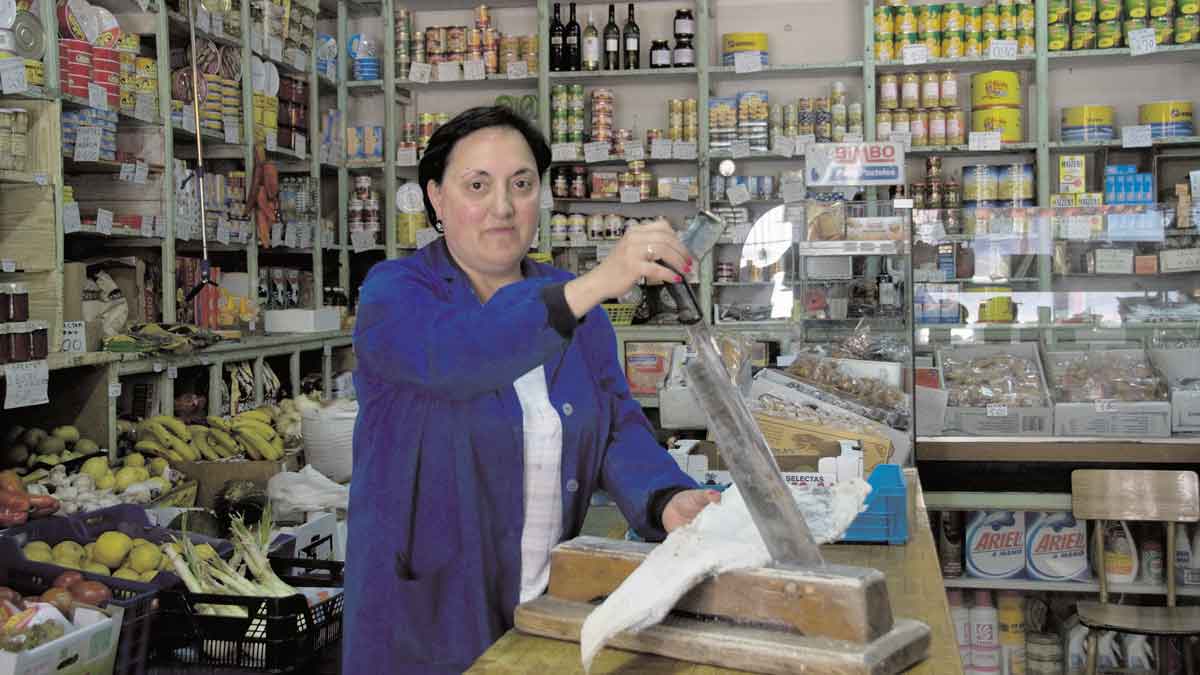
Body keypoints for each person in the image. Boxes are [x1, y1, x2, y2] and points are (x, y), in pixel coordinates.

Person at [343, 106, 721, 673]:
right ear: (436, 199)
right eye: (477, 185)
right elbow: (463, 355)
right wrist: (596, 283)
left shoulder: (574, 304)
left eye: (521, 184)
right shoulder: (395, 293)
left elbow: (615, 426)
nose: (503, 206)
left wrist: (666, 498)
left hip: (545, 604)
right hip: (426, 615)